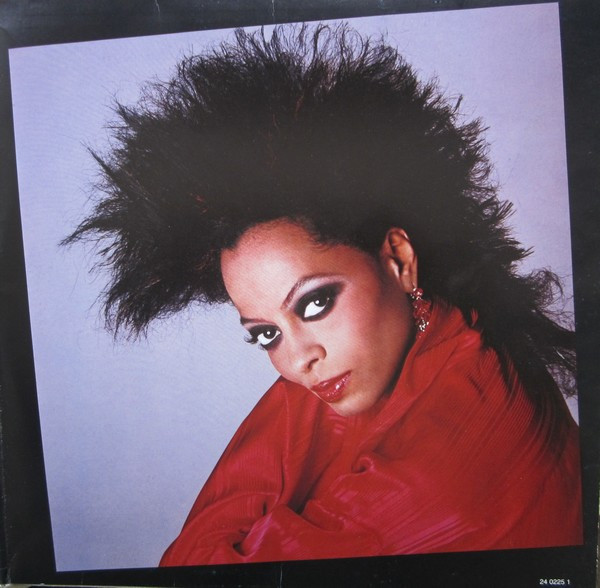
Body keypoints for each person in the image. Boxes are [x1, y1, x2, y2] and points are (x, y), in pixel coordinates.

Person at [64, 24, 582, 565]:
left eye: (315, 304)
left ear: (398, 259)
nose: (297, 360)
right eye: (266, 334)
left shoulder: (448, 459)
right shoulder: (416, 341)